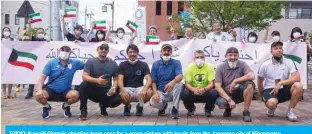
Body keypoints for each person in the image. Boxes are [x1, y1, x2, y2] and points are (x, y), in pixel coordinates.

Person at [257, 41, 303, 122]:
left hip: (284, 88)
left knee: (298, 85)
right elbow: (260, 81)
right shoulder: (265, 64)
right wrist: (262, 96)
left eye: (280, 48)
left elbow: (297, 77)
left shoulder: (289, 61)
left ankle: (290, 111)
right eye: (276, 48)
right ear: (271, 52)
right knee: (271, 103)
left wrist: (281, 83)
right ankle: (271, 108)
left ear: (283, 50)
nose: (279, 50)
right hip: (270, 89)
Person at [35, 45, 84, 118]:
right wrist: (39, 90)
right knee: (38, 96)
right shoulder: (51, 63)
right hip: (51, 90)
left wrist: (105, 59)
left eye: (67, 50)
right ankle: (46, 107)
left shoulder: (75, 63)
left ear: (70, 52)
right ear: (59, 51)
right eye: (63, 50)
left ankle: (66, 106)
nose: (65, 52)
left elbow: (89, 65)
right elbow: (42, 78)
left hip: (66, 91)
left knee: (76, 95)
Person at [79, 42, 122, 121]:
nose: (103, 50)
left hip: (106, 92)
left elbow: (116, 79)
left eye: (106, 49)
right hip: (93, 90)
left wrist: (114, 87)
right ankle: (83, 111)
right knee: (83, 85)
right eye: (101, 48)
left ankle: (103, 105)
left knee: (118, 99)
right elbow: (84, 76)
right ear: (97, 50)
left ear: (108, 51)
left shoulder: (113, 63)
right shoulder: (90, 61)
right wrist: (97, 80)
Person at [213, 47, 255, 122]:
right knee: (221, 104)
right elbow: (217, 86)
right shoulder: (220, 67)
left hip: (239, 93)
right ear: (226, 56)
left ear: (238, 56)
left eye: (235, 55)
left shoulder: (242, 64)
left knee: (249, 84)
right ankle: (228, 109)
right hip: (226, 94)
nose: (233, 57)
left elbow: (252, 75)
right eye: (230, 55)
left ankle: (246, 112)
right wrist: (229, 100)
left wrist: (236, 81)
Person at [149, 44, 183, 119]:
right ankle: (163, 107)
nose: (166, 52)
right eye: (164, 50)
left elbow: (180, 76)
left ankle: (175, 109)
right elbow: (153, 81)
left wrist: (173, 82)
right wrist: (155, 93)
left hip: (172, 92)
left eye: (168, 51)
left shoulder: (176, 62)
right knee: (153, 102)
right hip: (160, 92)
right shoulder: (155, 64)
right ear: (161, 52)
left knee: (179, 84)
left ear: (171, 52)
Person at [118, 44, 152, 116]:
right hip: (127, 89)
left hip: (139, 88)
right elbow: (120, 80)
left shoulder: (143, 65)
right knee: (121, 93)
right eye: (130, 52)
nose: (132, 54)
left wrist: (145, 89)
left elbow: (149, 79)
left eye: (134, 52)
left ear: (137, 53)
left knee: (149, 92)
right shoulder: (122, 65)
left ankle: (140, 106)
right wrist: (123, 90)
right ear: (127, 54)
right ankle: (127, 106)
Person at [181, 50, 218, 117]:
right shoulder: (190, 67)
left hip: (206, 90)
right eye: (197, 57)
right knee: (184, 94)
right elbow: (187, 84)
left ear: (204, 58)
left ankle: (208, 110)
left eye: (201, 57)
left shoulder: (210, 67)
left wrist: (204, 89)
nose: (199, 59)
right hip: (193, 91)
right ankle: (191, 109)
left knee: (215, 92)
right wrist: (194, 89)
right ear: (194, 58)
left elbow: (212, 83)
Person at [25, 19, 49, 99]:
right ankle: (30, 92)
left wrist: (49, 42)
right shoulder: (34, 40)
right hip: (35, 61)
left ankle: (43, 91)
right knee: (32, 75)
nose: (40, 34)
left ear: (44, 33)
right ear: (36, 34)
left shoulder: (47, 40)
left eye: (42, 32)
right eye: (39, 32)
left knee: (44, 76)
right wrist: (29, 25)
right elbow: (28, 35)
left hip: (44, 61)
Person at [1, 27, 14, 99]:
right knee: (3, 78)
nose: (6, 31)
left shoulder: (12, 40)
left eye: (8, 30)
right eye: (5, 30)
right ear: (2, 32)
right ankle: (4, 93)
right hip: (2, 61)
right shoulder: (1, 40)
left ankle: (9, 93)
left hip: (11, 61)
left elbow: (19, 44)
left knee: (10, 78)